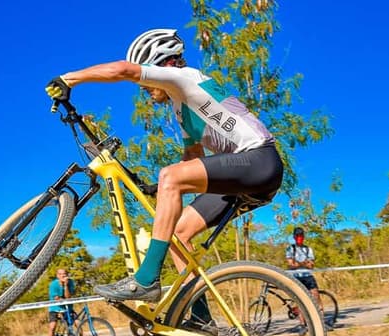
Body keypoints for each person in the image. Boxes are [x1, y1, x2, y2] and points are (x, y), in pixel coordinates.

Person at [46, 28, 284, 304]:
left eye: (146, 78)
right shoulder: (182, 108)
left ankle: (145, 280)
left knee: (171, 177)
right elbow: (193, 158)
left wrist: (68, 80)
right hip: (247, 176)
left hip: (259, 159)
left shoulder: (184, 77)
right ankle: (198, 314)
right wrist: (160, 188)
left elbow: (124, 70)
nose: (143, 88)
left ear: (164, 64)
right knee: (178, 234)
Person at [286, 227, 325, 322]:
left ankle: (322, 322)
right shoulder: (290, 249)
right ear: (294, 237)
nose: (300, 237)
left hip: (308, 276)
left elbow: (311, 265)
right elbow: (291, 264)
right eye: (298, 236)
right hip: (296, 278)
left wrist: (298, 264)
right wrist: (304, 263)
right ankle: (302, 324)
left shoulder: (308, 249)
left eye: (301, 235)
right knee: (300, 301)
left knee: (316, 298)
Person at [47, 268, 76, 336]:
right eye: (60, 274)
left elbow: (68, 297)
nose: (63, 276)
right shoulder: (53, 284)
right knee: (52, 327)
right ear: (57, 275)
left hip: (68, 308)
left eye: (64, 274)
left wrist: (66, 286)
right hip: (55, 308)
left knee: (78, 323)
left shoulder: (70, 282)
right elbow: (56, 298)